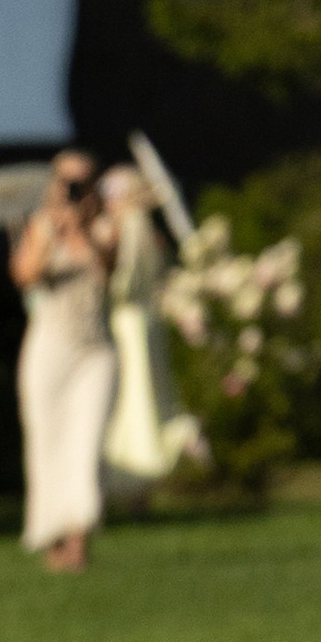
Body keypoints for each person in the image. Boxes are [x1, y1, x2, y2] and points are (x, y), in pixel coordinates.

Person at [10, 149, 118, 572]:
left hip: (95, 352)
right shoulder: (40, 227)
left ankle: (79, 538)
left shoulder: (107, 227)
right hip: (50, 349)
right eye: (66, 181)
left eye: (82, 182)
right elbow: (24, 276)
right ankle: (52, 536)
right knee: (47, 442)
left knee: (85, 443)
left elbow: (111, 270)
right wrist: (53, 231)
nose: (73, 190)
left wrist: (85, 230)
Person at [99, 160, 190, 497]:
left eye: (112, 191)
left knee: (134, 398)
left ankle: (134, 475)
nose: (106, 198)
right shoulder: (138, 225)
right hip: (142, 322)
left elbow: (127, 281)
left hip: (128, 324)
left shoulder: (131, 225)